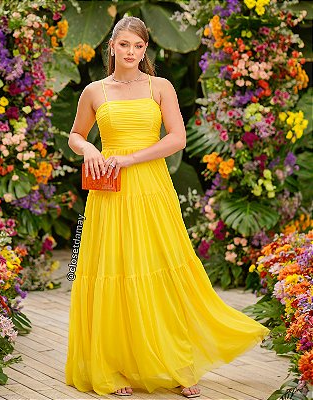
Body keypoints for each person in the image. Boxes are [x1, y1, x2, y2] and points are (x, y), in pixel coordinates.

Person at [65, 16, 270, 399]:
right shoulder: (94, 91)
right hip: (109, 194)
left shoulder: (160, 87)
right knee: (117, 270)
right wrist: (90, 147)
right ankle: (114, 366)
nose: (130, 52)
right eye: (124, 45)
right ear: (112, 46)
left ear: (146, 50)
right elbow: (75, 134)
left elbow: (177, 139)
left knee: (162, 269)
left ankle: (176, 364)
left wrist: (130, 159)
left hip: (151, 187)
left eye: (138, 46)